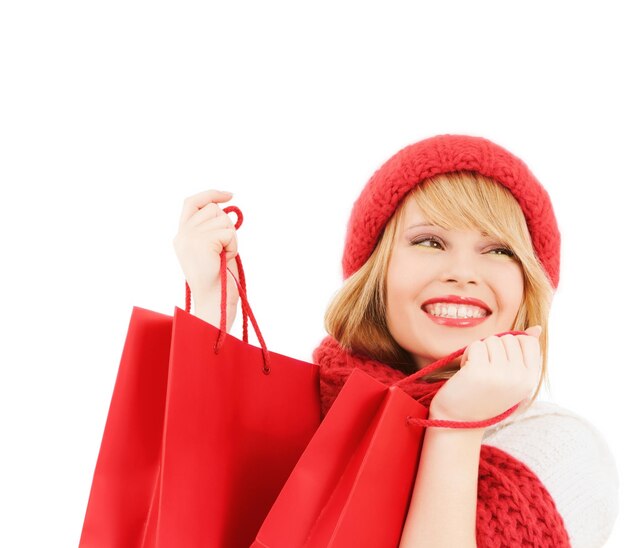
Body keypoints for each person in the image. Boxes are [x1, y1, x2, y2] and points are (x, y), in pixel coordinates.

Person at [173, 134, 618, 547]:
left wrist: (454, 427)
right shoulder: (301, 411)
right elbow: (184, 509)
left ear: (527, 285)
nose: (463, 272)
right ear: (377, 272)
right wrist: (210, 315)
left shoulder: (559, 446)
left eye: (499, 250)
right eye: (429, 241)